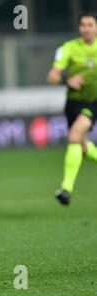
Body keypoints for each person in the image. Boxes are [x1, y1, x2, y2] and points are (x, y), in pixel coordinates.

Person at [47, 12, 97, 206]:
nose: (86, 28)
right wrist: (68, 80)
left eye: (90, 24)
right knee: (81, 145)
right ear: (79, 28)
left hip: (93, 102)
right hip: (73, 104)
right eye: (83, 25)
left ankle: (66, 188)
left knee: (75, 136)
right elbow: (52, 77)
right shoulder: (68, 48)